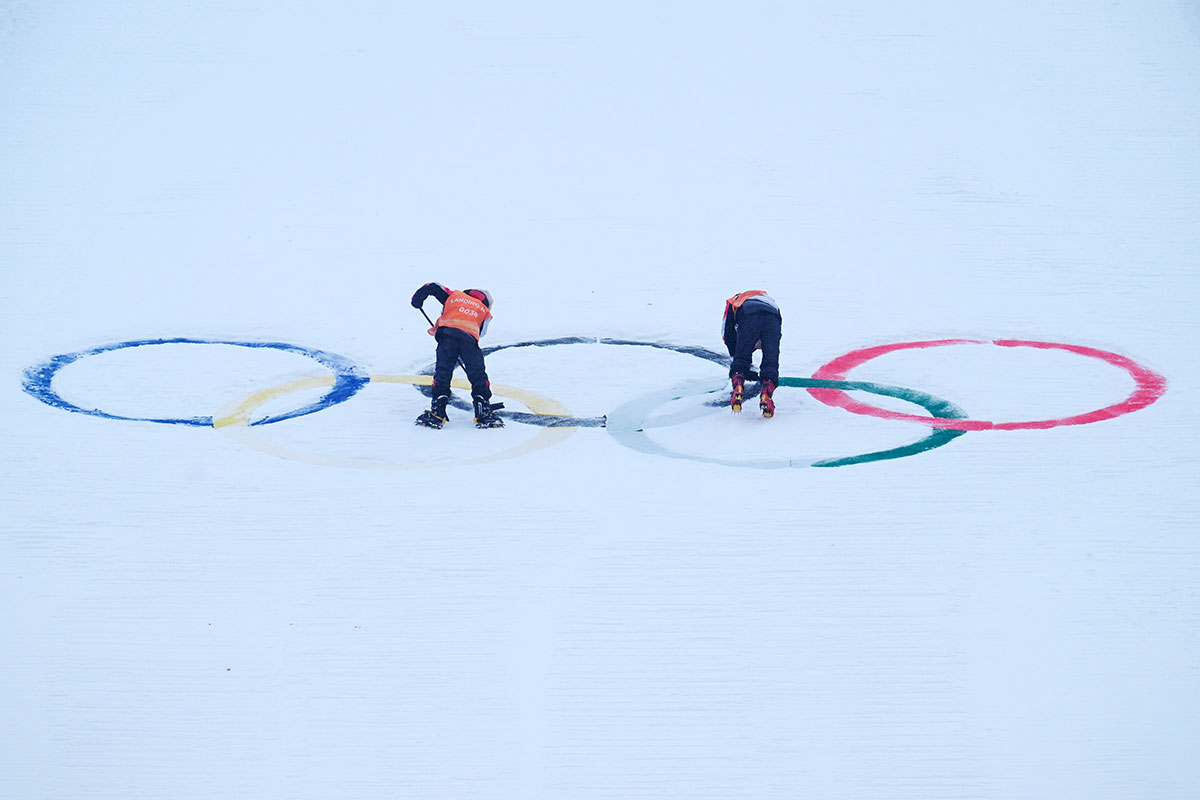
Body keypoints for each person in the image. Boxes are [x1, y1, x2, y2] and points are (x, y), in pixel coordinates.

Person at [410, 282, 503, 428]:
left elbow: (433, 286)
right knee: (477, 374)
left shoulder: (453, 295)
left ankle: (438, 410)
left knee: (443, 372)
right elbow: (482, 333)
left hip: (447, 336)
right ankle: (483, 409)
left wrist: (418, 299)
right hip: (469, 342)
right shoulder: (485, 311)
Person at [722, 290, 782, 417]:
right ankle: (767, 391)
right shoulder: (772, 303)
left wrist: (738, 355)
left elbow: (727, 334)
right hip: (772, 319)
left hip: (748, 315)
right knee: (771, 362)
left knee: (740, 359)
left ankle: (738, 384)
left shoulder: (734, 301)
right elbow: (774, 338)